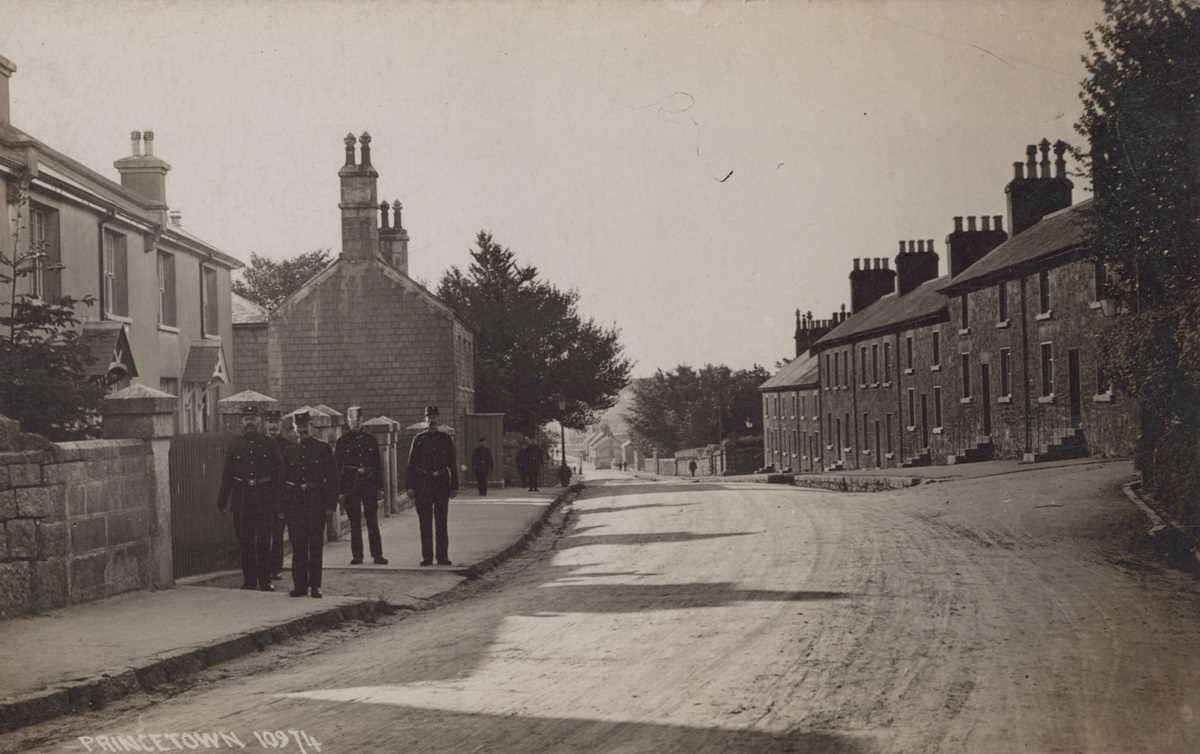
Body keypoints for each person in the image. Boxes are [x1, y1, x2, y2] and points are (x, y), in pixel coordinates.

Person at [216, 405, 284, 591]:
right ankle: (249, 581)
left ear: (259, 421)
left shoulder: (269, 444)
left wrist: (278, 502)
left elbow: (279, 475)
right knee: (245, 541)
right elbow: (228, 474)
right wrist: (222, 500)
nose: (250, 422)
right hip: (242, 499)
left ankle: (264, 581)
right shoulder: (235, 445)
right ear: (242, 422)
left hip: (264, 498)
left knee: (263, 540)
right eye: (247, 419)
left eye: (253, 418)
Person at [283, 410, 339, 598]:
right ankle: (300, 586)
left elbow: (332, 480)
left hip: (316, 503)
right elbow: (283, 481)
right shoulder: (289, 451)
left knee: (315, 546)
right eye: (299, 428)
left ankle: (316, 586)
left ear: (311, 426)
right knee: (298, 546)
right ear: (295, 429)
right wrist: (283, 508)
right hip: (295, 505)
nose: (302, 430)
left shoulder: (323, 449)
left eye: (305, 427)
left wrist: (331, 506)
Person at [335, 406, 387, 565]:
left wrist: (380, 487)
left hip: (369, 484)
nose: (355, 423)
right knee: (354, 522)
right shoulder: (342, 441)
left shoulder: (370, 439)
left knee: (372, 520)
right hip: (351, 485)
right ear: (347, 421)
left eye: (357, 420)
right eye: (351, 420)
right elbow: (337, 468)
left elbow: (378, 465)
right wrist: (340, 491)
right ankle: (357, 555)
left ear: (362, 420)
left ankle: (377, 555)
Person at [406, 406, 458, 566]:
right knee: (425, 522)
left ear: (438, 418)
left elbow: (453, 463)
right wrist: (409, 486)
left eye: (434, 416)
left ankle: (442, 556)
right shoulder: (419, 439)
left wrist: (454, 486)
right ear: (425, 419)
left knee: (441, 521)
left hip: (441, 483)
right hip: (423, 484)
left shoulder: (446, 439)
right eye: (429, 416)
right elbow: (410, 465)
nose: (432, 420)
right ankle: (427, 556)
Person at [264, 409, 291, 581]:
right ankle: (265, 568)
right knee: (263, 535)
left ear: (281, 424)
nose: (273, 426)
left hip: (281, 497)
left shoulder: (287, 446)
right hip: (262, 497)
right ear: (265, 424)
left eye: (276, 422)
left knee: (278, 534)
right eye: (270, 422)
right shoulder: (260, 444)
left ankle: (276, 568)